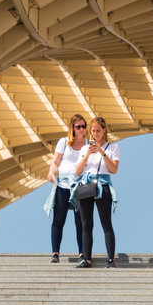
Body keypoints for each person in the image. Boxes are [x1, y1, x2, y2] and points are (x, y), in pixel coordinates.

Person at [73, 116, 119, 268]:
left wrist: (102, 153)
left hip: (103, 185)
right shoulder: (85, 148)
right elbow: (77, 171)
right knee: (86, 224)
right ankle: (87, 259)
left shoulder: (113, 148)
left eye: (98, 130)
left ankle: (111, 259)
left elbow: (113, 170)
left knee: (106, 223)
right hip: (86, 184)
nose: (95, 133)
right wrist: (87, 155)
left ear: (104, 130)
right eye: (93, 131)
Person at [44, 114, 88, 263]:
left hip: (80, 186)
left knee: (80, 221)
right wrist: (51, 172)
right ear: (73, 128)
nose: (81, 129)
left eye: (83, 126)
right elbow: (56, 161)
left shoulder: (88, 144)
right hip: (63, 185)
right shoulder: (63, 142)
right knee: (58, 219)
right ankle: (55, 253)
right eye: (78, 127)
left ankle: (82, 253)